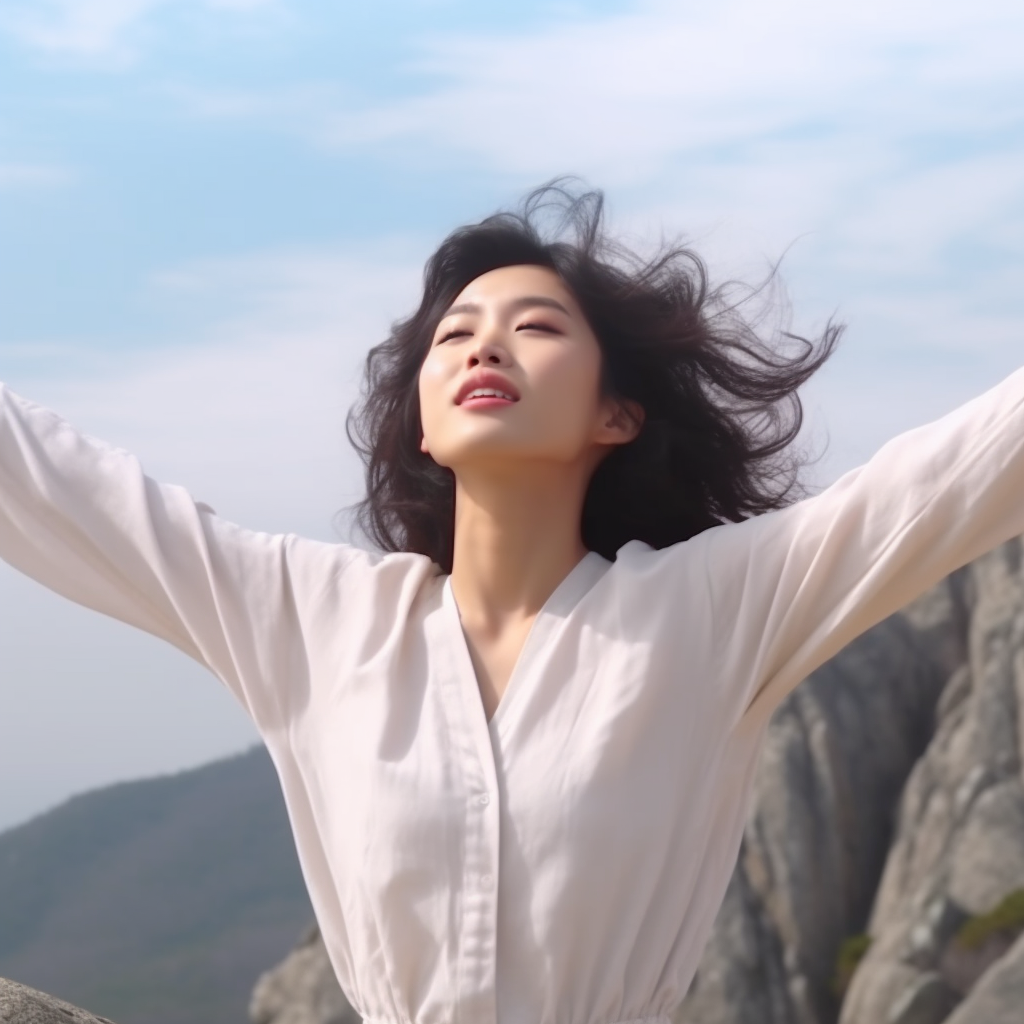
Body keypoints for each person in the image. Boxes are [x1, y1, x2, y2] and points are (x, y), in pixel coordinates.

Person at [1, 182, 1022, 1024]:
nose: (483, 348)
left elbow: (952, 477)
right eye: (454, 337)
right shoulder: (314, 618)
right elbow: (52, 483)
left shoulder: (710, 609)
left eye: (534, 327)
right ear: (420, 426)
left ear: (616, 412)